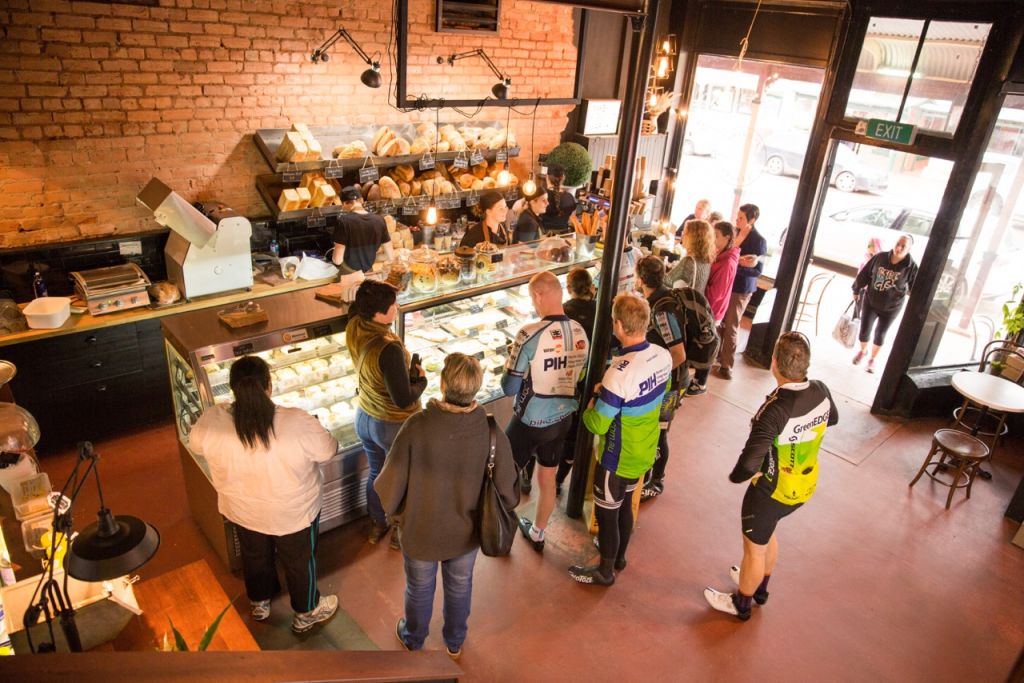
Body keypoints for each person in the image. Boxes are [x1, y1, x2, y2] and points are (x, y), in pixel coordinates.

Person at [376, 353, 518, 660]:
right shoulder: (491, 431)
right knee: (459, 585)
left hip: (420, 530)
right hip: (464, 534)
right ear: (476, 389)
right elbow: (508, 491)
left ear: (441, 384)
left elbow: (389, 482)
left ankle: (413, 638)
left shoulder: (417, 426)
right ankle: (454, 642)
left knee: (418, 588)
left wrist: (398, 516)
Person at [189, 356, 339, 633]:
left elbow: (195, 445)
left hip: (242, 509)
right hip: (293, 512)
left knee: (254, 555)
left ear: (232, 388)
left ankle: (260, 601)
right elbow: (329, 450)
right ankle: (306, 611)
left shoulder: (212, 420)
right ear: (269, 386)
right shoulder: (297, 421)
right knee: (298, 561)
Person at [703, 332, 838, 621]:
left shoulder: (775, 409)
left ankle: (742, 603)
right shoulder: (821, 390)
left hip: (770, 491)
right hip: (803, 486)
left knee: (753, 549)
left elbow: (750, 462)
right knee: (767, 535)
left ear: (775, 363)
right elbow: (833, 417)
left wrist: (735, 477)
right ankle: (760, 589)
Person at [568, 294, 672, 586]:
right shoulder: (661, 355)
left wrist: (590, 406)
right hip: (645, 447)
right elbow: (658, 391)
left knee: (608, 513)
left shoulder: (619, 372)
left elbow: (598, 423)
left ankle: (605, 571)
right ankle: (620, 557)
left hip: (617, 455)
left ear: (618, 325)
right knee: (626, 506)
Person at [503, 271, 589, 553]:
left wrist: (511, 362)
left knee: (503, 475)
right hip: (563, 417)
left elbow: (509, 387)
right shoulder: (580, 331)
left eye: (531, 297)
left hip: (530, 420)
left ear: (539, 295)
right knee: (547, 477)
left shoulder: (529, 332)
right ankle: (538, 533)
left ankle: (499, 535)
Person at [345, 280, 427, 546]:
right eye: (393, 305)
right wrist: (421, 382)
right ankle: (398, 532)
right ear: (380, 313)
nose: (397, 307)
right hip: (389, 425)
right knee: (403, 477)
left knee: (377, 472)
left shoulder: (355, 323)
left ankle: (377, 524)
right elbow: (403, 399)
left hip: (365, 416)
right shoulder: (388, 348)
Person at [635, 255, 688, 501]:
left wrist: (658, 378)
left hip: (670, 383)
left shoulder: (662, 309)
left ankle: (656, 481)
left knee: (659, 431)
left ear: (641, 279)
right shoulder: (660, 298)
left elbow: (678, 353)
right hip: (666, 380)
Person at [554, 267, 598, 495]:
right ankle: (560, 478)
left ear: (569, 289)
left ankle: (550, 471)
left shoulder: (564, 311)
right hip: (591, 380)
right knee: (576, 432)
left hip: (565, 379)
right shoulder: (601, 310)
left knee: (562, 426)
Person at [851, 234, 918, 373]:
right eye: (898, 243)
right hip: (871, 301)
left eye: (903, 246)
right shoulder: (880, 257)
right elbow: (864, 274)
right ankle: (863, 351)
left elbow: (915, 289)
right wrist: (856, 289)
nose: (898, 247)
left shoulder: (911, 267)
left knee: (880, 334)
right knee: (864, 331)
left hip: (892, 308)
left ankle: (872, 360)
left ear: (909, 249)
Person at [688, 220, 739, 396]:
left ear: (727, 238)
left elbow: (717, 292)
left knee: (707, 344)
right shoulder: (721, 255)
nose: (713, 239)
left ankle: (700, 382)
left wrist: (700, 287)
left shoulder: (727, 262)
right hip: (711, 307)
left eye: (716, 236)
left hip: (713, 308)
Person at [716, 204, 767, 380]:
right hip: (725, 284)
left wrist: (734, 266)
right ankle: (716, 354)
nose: (737, 221)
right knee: (719, 321)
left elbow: (757, 271)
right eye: (737, 217)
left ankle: (726, 365)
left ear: (751, 220)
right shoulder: (735, 233)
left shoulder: (758, 240)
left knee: (731, 324)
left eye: (741, 218)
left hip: (741, 288)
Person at [331, 186, 394, 273]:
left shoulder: (343, 221)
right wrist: (369, 256)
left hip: (349, 274)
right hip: (369, 272)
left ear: (345, 204)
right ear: (361, 200)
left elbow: (337, 260)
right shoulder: (380, 220)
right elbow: (389, 255)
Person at [665, 218, 715, 292]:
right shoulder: (706, 260)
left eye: (685, 233)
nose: (682, 236)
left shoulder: (689, 262)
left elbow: (672, 288)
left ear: (694, 238)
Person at [541, 163, 577, 234]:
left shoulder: (541, 196)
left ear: (546, 177)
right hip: (564, 239)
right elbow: (572, 219)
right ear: (563, 178)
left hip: (543, 239)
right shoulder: (570, 197)